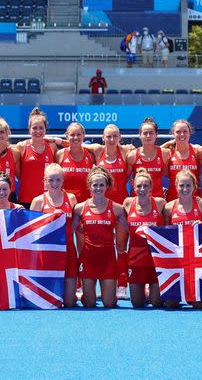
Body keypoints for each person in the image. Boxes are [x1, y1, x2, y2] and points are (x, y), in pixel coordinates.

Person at [71, 166, 129, 308]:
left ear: (107, 186)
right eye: (95, 185)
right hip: (88, 258)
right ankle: (85, 294)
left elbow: (131, 229)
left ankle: (109, 292)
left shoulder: (117, 208)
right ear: (89, 187)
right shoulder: (79, 208)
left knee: (108, 303)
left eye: (101, 185)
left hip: (108, 259)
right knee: (89, 304)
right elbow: (68, 230)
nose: (98, 188)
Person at [30, 164, 79, 307]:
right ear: (44, 181)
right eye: (51, 180)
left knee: (69, 303)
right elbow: (31, 233)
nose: (55, 183)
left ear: (63, 180)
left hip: (68, 250)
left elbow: (77, 228)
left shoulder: (71, 199)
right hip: (47, 253)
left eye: (58, 180)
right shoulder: (38, 201)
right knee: (47, 302)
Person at [163, 169, 202, 308]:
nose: (185, 189)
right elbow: (165, 235)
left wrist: (201, 227)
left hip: (198, 260)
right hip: (177, 261)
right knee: (170, 305)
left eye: (188, 185)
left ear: (194, 186)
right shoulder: (169, 207)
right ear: (176, 186)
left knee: (198, 305)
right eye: (181, 185)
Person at [122, 168, 166, 308]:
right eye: (139, 186)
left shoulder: (160, 203)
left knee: (156, 303)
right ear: (133, 187)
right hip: (135, 258)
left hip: (155, 258)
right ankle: (145, 291)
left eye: (145, 185)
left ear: (151, 187)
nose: (142, 189)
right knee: (137, 303)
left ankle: (151, 290)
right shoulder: (128, 203)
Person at [16, 108, 58, 208]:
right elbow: (18, 174)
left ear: (45, 129)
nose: (38, 131)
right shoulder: (21, 147)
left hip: (48, 200)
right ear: (29, 129)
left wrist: (57, 140)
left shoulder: (52, 146)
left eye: (41, 128)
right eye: (34, 128)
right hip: (26, 199)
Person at [127, 118, 169, 199]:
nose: (148, 136)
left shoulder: (165, 154)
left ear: (156, 134)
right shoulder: (132, 156)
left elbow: (169, 175)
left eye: (151, 133)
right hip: (137, 201)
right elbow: (123, 180)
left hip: (157, 201)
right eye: (145, 133)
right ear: (140, 135)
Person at [162, 119, 202, 202]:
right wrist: (168, 143)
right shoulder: (168, 153)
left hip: (194, 200)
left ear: (189, 133)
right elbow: (153, 152)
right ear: (173, 134)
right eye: (178, 132)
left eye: (185, 131)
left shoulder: (197, 150)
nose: (182, 134)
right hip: (173, 200)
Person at [56, 122, 94, 203]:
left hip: (85, 204)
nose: (75, 137)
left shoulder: (91, 155)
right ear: (66, 135)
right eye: (72, 135)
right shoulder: (59, 154)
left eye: (79, 134)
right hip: (65, 204)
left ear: (84, 135)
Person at [94, 124, 132, 204]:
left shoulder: (125, 151)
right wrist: (61, 141)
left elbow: (146, 151)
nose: (112, 139)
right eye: (108, 136)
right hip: (101, 202)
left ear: (120, 137)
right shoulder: (98, 150)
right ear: (103, 137)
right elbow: (76, 145)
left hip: (122, 201)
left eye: (115, 136)